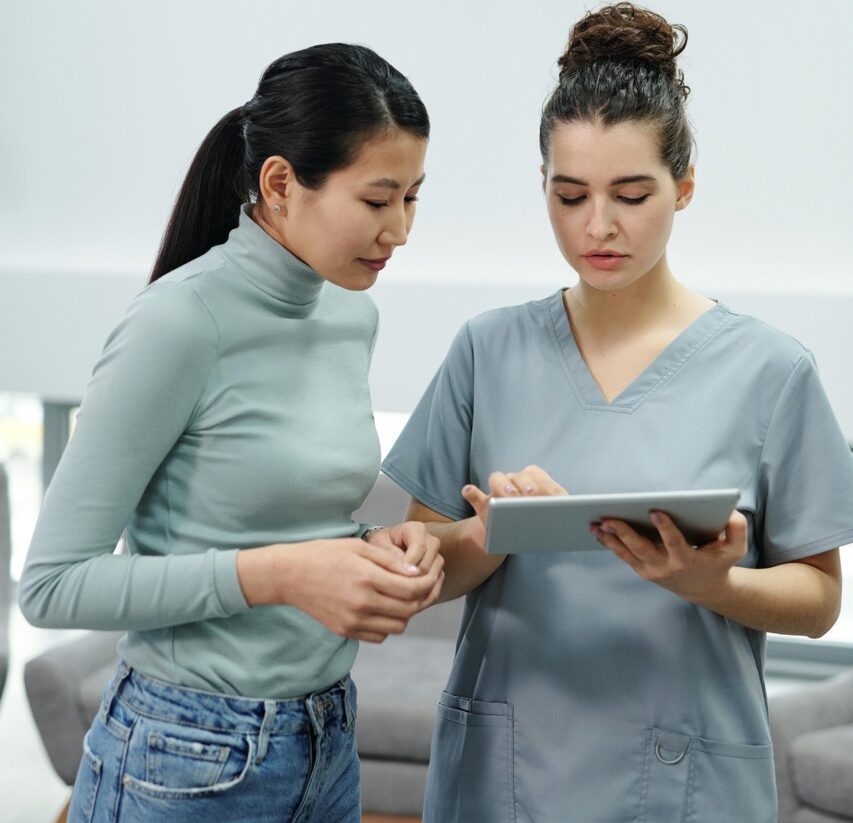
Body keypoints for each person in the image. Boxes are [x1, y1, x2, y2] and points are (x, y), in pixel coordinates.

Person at [381, 5, 853, 821]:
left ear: (685, 184)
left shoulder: (770, 371)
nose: (597, 226)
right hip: (506, 771)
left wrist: (715, 582)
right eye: (569, 196)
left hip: (683, 775)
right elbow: (421, 565)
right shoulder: (484, 352)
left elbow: (818, 600)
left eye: (631, 194)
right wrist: (487, 538)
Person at [19, 43, 443, 823]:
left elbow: (288, 515)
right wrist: (284, 574)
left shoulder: (352, 312)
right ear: (280, 183)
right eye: (378, 200)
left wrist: (371, 545)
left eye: (414, 197)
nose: (401, 229)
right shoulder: (178, 323)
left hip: (325, 739)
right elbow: (50, 585)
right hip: (183, 754)